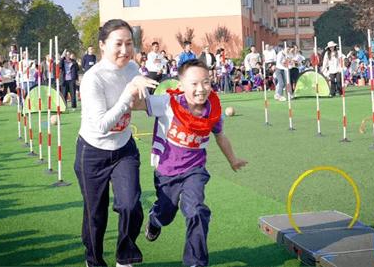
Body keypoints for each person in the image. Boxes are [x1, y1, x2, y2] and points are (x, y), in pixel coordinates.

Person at [142, 59, 248, 267]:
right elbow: (137, 104)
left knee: (196, 210)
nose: (201, 89)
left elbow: (220, 136)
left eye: (206, 82)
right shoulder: (166, 103)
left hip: (195, 170)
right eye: (194, 84)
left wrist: (233, 160)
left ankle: (195, 262)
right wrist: (135, 87)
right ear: (181, 85)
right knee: (166, 212)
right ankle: (155, 220)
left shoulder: (213, 111)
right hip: (167, 172)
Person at [75, 19, 158, 267]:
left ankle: (125, 256)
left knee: (131, 204)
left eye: (129, 44)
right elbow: (102, 124)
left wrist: (176, 102)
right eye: (118, 44)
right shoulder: (93, 79)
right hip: (92, 152)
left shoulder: (132, 68)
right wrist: (129, 93)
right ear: (102, 45)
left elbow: (142, 103)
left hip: (124, 150)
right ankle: (94, 260)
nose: (125, 50)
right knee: (95, 216)